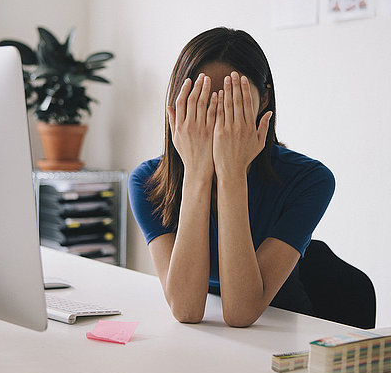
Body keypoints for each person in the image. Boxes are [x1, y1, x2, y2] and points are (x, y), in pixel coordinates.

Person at [128, 27, 335, 327]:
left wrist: (232, 173)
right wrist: (198, 174)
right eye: (200, 103)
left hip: (277, 332)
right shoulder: (148, 182)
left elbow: (241, 312)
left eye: (232, 103)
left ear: (264, 100)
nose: (215, 117)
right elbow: (185, 310)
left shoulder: (310, 180)